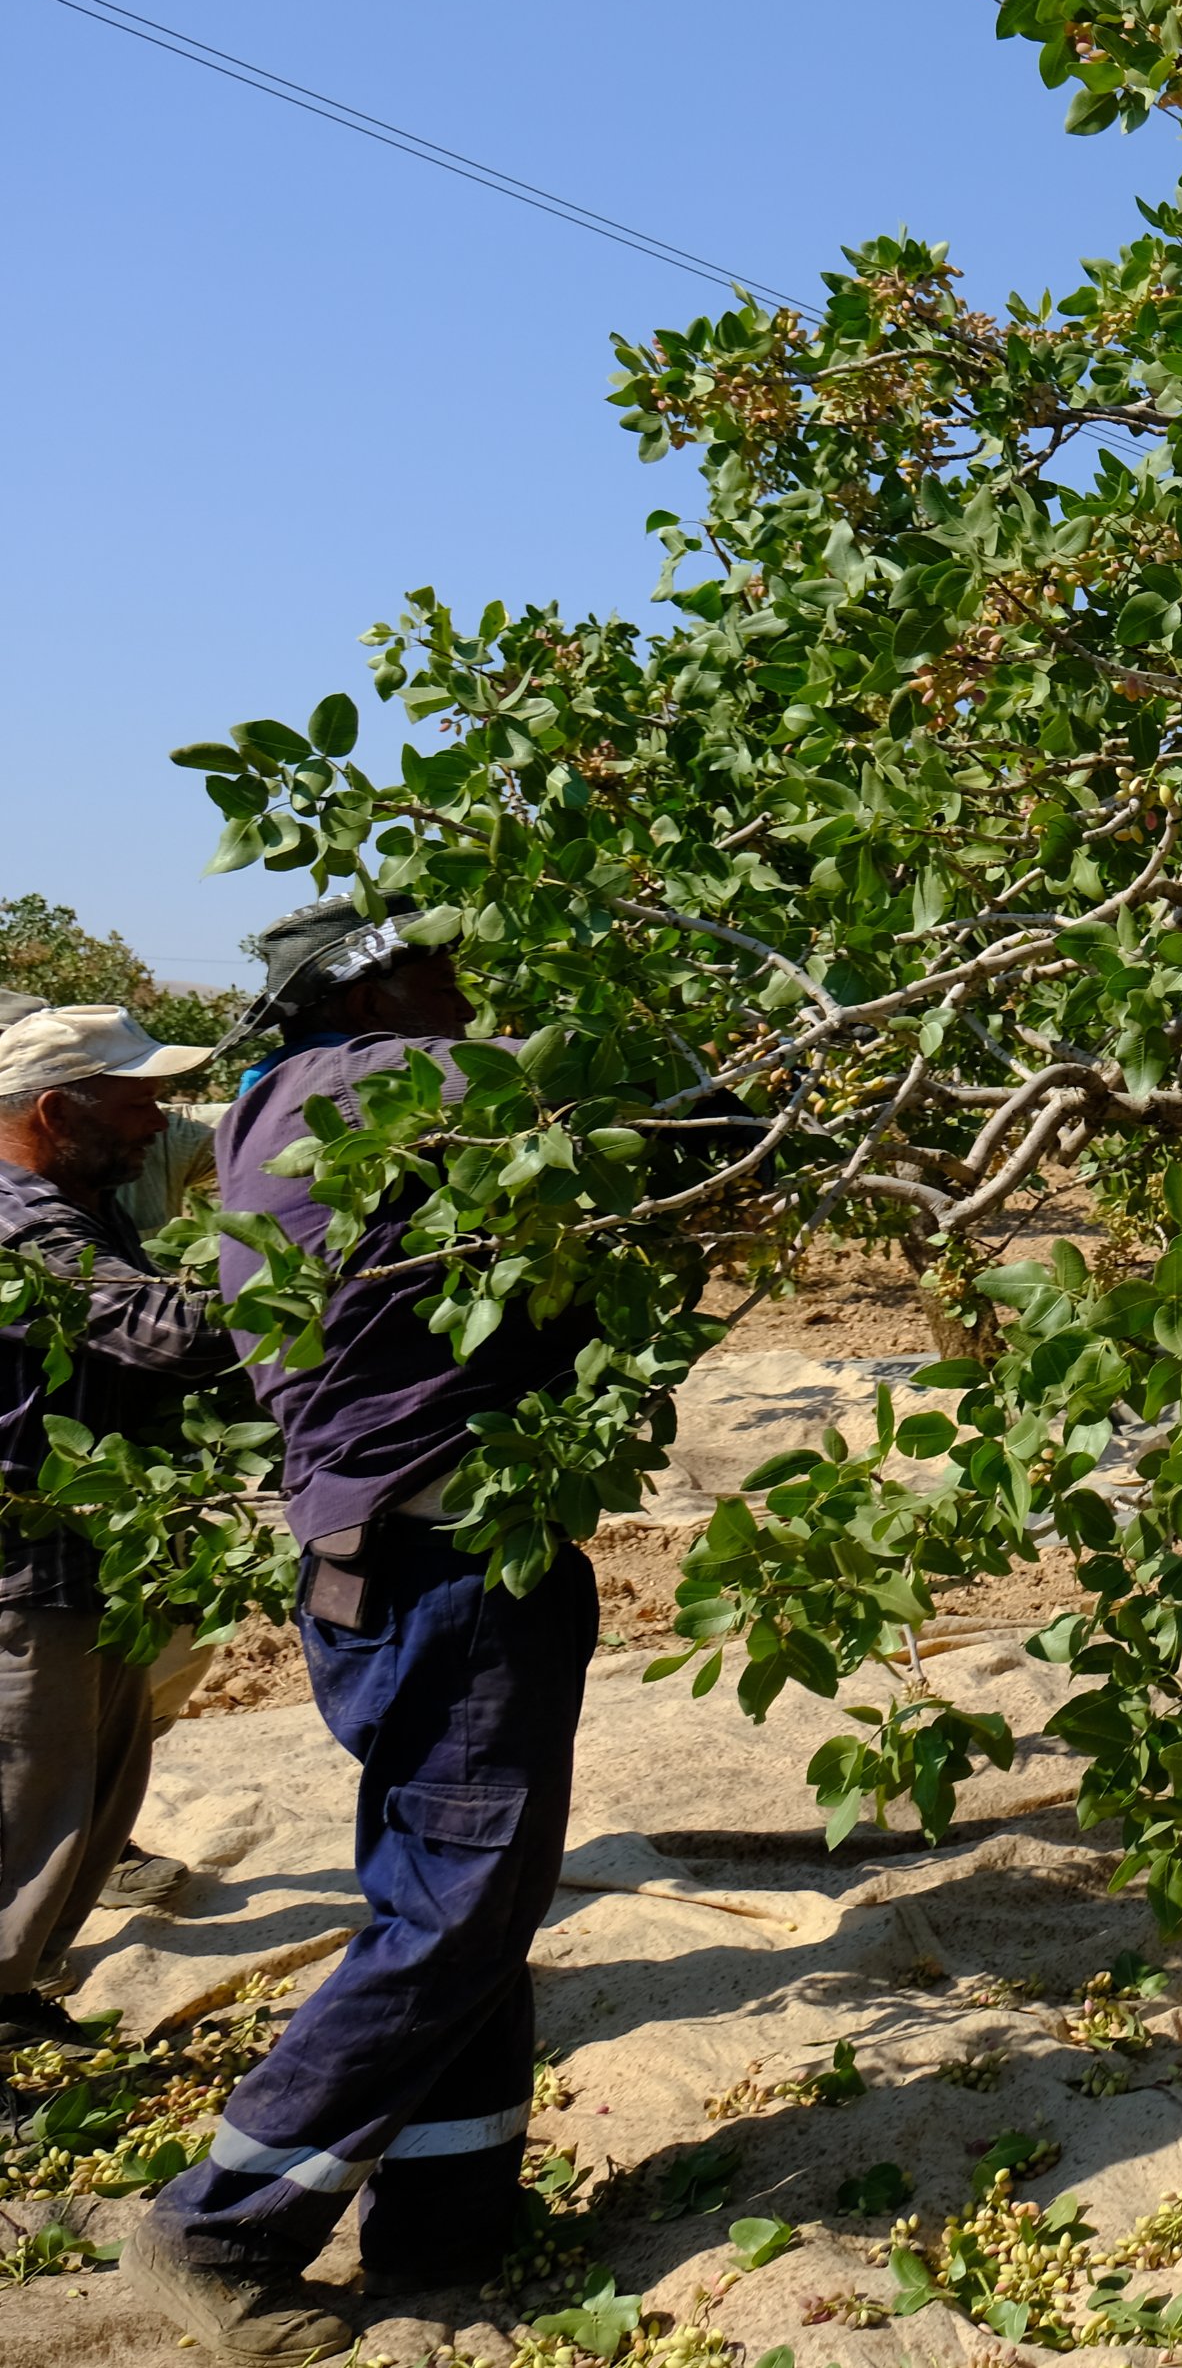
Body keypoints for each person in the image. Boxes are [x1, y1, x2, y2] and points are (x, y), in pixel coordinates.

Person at [129, 901, 604, 2364]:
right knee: (453, 1903)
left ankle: (445, 2222)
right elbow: (595, 1068)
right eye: (432, 965)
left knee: (469, 1893)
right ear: (362, 989)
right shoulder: (356, 1084)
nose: (462, 985)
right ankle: (216, 2225)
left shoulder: (295, 1104)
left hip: (400, 1558)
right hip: (441, 1559)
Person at [0, 1004, 237, 2051]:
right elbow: (165, 1331)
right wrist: (320, 1262)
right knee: (24, 1797)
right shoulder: (19, 1223)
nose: (158, 1121)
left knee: (92, 1787)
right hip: (26, 1561)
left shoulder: (78, 1204)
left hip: (95, 1552)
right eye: (138, 1098)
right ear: (57, 1109)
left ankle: (17, 1996)